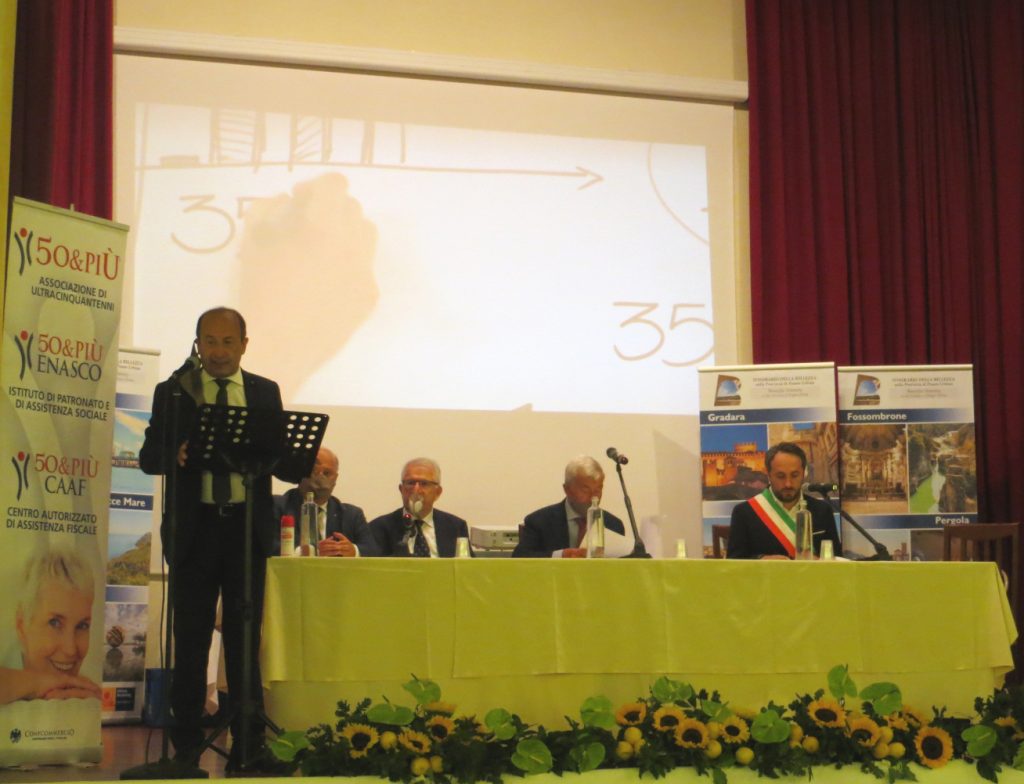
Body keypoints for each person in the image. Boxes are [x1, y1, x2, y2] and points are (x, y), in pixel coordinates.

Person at [139, 307, 298, 769]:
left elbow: (281, 460)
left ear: (245, 345)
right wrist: (174, 452)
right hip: (196, 530)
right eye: (210, 341)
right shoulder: (174, 391)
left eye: (228, 342)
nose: (219, 352)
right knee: (190, 641)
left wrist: (296, 464)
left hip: (246, 531)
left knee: (244, 642)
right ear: (197, 344)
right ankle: (186, 750)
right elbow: (148, 457)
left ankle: (249, 748)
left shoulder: (264, 392)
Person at [0, 546, 101, 704]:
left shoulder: (89, 694)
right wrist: (35, 683)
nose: (70, 650)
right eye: (55, 623)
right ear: (21, 626)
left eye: (82, 626)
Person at [727, 441, 841, 559]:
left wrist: (821, 561)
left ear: (803, 473)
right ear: (768, 475)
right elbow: (733, 562)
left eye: (795, 475)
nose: (788, 484)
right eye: (780, 476)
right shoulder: (744, 512)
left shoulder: (822, 510)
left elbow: (837, 560)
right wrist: (761, 559)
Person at [513, 456, 626, 558]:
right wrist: (560, 555)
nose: (593, 497)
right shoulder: (539, 522)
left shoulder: (613, 525)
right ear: (567, 489)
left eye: (598, 489)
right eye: (585, 489)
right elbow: (520, 557)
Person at [274, 446, 377, 557]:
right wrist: (309, 552)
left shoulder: (352, 515)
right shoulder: (277, 506)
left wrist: (353, 551)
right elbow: (269, 546)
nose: (320, 476)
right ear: (301, 472)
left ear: (335, 479)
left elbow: (373, 550)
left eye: (327, 473)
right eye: (314, 471)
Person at [369, 458, 471, 557]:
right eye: (410, 483)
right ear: (401, 489)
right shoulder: (379, 528)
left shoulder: (455, 527)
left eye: (424, 484)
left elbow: (468, 565)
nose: (416, 489)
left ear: (437, 492)